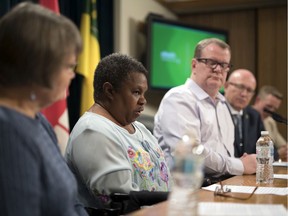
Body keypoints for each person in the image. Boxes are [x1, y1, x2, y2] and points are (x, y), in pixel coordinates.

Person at [0, 2, 88, 216]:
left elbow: (72, 202)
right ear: (39, 66)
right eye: (69, 66)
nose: (72, 75)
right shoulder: (7, 130)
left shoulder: (38, 120)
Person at [65, 53, 172, 213]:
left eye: (144, 93)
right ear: (109, 91)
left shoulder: (139, 127)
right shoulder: (93, 131)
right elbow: (121, 201)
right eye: (136, 92)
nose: (143, 100)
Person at [153, 38, 257, 182]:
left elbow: (226, 155)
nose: (218, 69)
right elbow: (190, 153)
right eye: (211, 62)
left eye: (223, 65)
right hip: (187, 190)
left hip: (222, 185)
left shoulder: (223, 105)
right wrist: (239, 165)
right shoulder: (179, 98)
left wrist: (240, 164)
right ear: (194, 65)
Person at [224, 69, 264, 157]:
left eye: (249, 90)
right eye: (240, 87)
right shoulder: (215, 110)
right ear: (226, 86)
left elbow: (268, 149)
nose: (244, 94)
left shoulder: (254, 116)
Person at [253, 85, 288, 161]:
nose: (271, 111)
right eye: (268, 106)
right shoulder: (245, 119)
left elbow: (283, 145)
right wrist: (277, 153)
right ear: (257, 100)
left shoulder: (270, 122)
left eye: (274, 109)